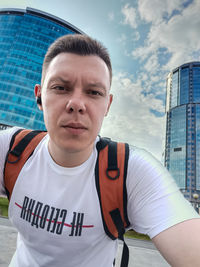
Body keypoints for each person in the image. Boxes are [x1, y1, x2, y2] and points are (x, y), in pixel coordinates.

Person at [0, 34, 200, 267]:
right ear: (39, 96)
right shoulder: (11, 150)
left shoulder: (131, 172)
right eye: (60, 87)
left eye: (94, 92)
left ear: (108, 104)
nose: (76, 104)